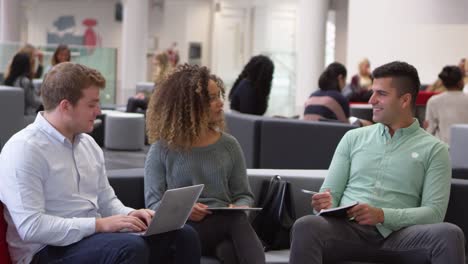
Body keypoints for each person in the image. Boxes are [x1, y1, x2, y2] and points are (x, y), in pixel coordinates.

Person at [0, 62, 201, 264]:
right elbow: (31, 227)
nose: (98, 111)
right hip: (45, 251)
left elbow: (107, 201)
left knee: (183, 235)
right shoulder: (24, 149)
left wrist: (132, 215)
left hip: (92, 239)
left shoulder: (88, 144)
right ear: (65, 106)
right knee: (129, 248)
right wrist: (98, 225)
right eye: (91, 104)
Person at [289, 61, 465, 264]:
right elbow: (331, 194)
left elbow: (433, 213)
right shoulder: (353, 138)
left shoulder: (435, 149)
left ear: (405, 100)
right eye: (373, 92)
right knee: (306, 226)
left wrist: (382, 215)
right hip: (348, 232)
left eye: (381, 94)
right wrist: (324, 203)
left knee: (449, 234)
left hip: (401, 236)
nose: (371, 100)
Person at [145, 64, 265, 264]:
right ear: (188, 105)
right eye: (211, 98)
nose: (220, 103)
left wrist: (240, 206)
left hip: (224, 226)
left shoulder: (229, 145)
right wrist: (186, 210)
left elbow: (243, 195)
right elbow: (153, 204)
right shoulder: (162, 150)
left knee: (228, 249)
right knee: (235, 223)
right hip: (183, 230)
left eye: (219, 96)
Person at [425, 66, 468, 144]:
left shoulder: (433, 101)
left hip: (443, 149)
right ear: (460, 82)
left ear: (443, 83)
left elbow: (429, 131)